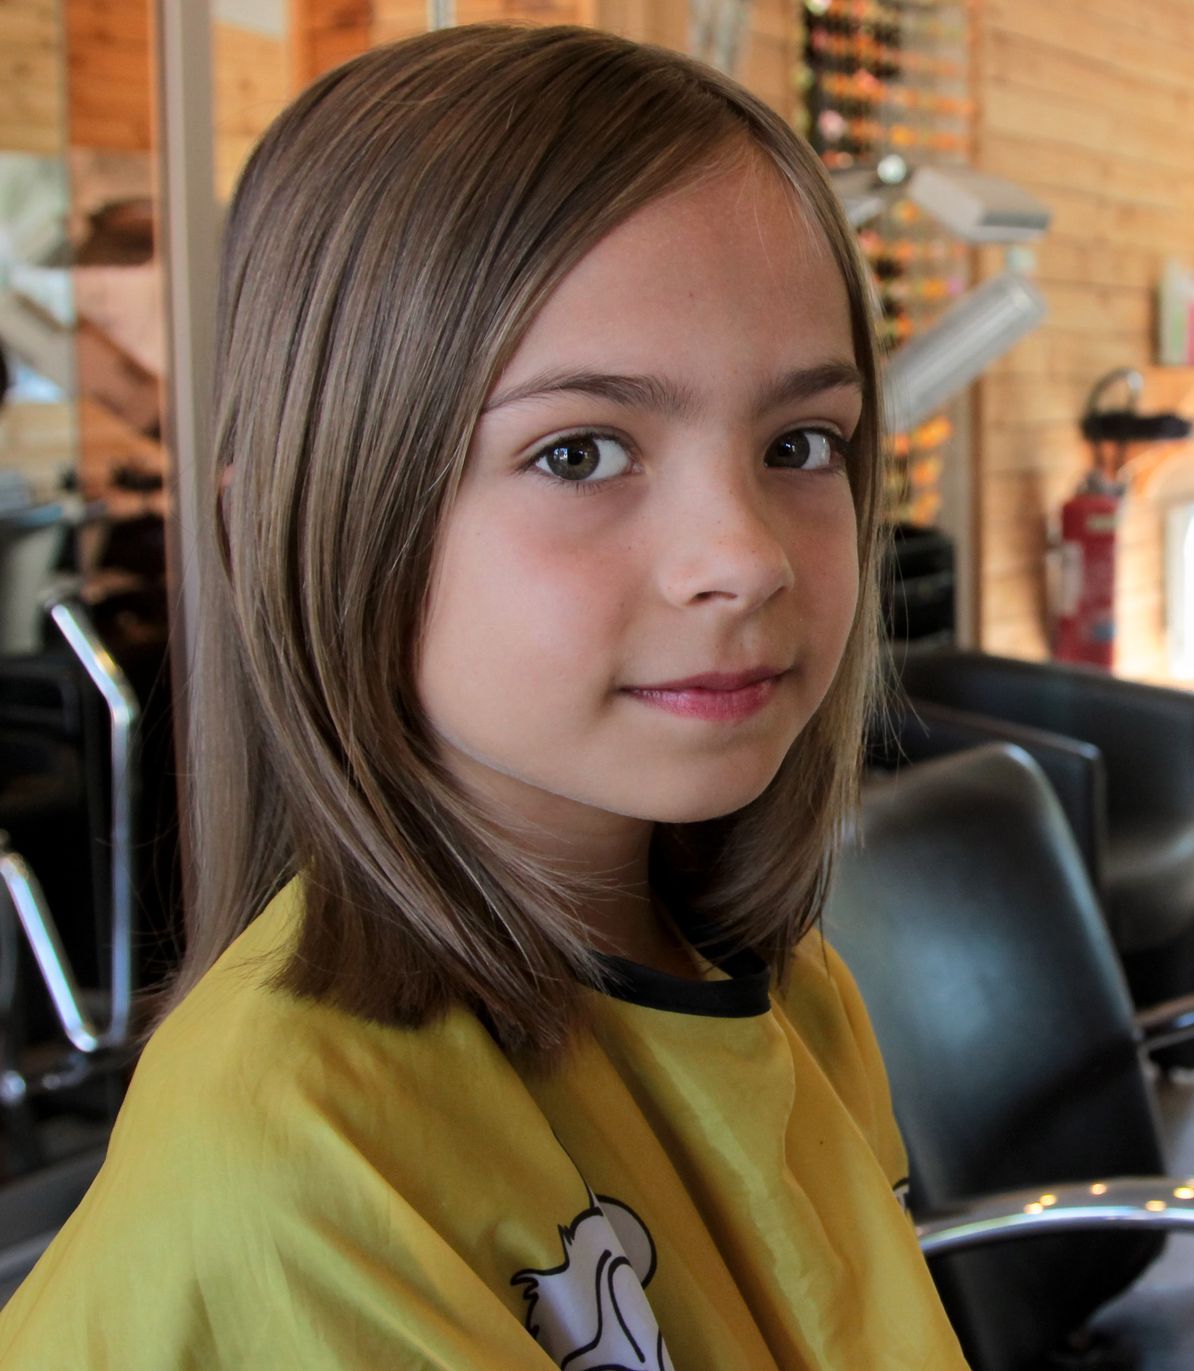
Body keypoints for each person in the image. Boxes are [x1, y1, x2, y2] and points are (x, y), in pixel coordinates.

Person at [0, 25, 967, 1369]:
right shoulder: (301, 1157)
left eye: (800, 444)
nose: (744, 557)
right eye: (579, 451)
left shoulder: (793, 987)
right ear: (319, 521)